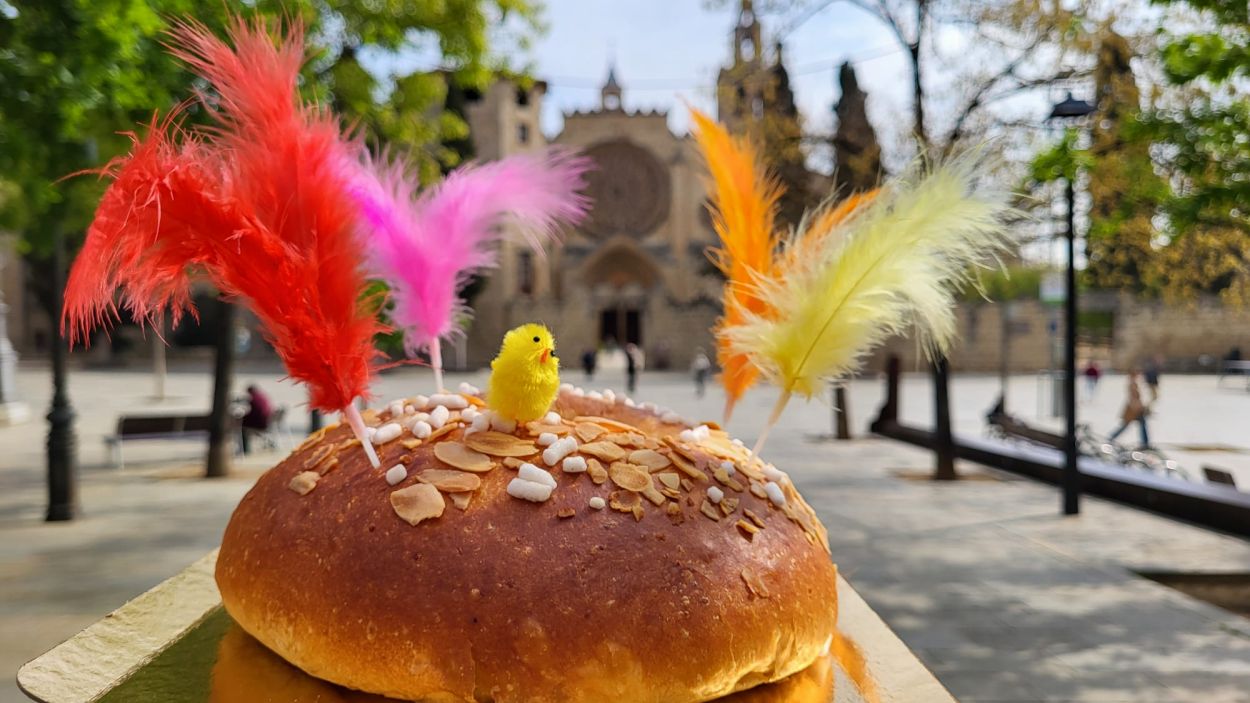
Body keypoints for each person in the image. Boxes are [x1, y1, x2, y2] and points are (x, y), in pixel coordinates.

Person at [1109, 369, 1150, 448]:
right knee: (1126, 426)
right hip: (1133, 409)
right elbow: (1133, 398)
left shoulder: (1133, 383)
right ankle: (1145, 443)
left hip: (1134, 408)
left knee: (1141, 425)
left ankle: (1145, 442)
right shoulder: (1132, 384)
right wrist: (1139, 408)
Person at [240, 384, 273, 455]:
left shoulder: (254, 399)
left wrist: (242, 418)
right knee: (244, 424)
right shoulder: (262, 397)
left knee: (242, 427)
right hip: (266, 421)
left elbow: (254, 413)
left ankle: (245, 449)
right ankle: (245, 449)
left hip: (260, 423)